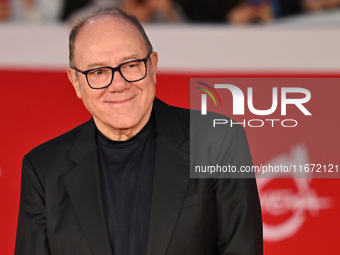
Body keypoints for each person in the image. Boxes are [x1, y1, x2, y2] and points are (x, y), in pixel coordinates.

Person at [15, 7, 263, 255]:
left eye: (131, 65)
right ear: (76, 82)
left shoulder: (218, 141)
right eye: (98, 72)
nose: (119, 84)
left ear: (153, 66)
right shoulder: (43, 170)